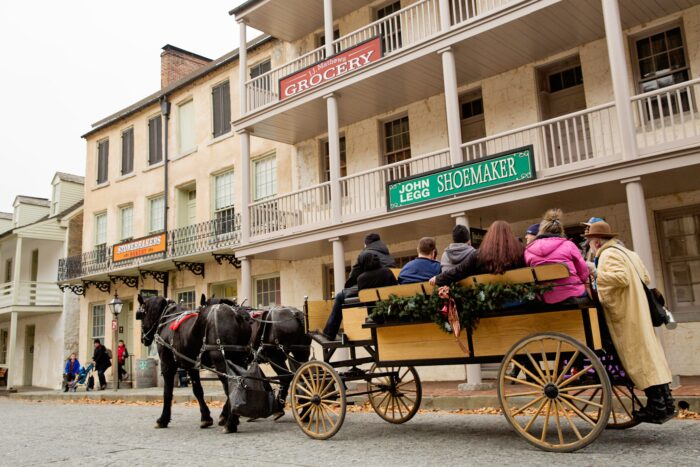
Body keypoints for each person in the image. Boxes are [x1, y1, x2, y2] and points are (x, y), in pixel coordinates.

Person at [587, 221, 675, 423]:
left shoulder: (608, 254)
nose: (590, 246)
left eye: (591, 241)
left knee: (638, 360)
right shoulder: (629, 253)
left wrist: (595, 271)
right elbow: (646, 277)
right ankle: (666, 402)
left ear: (598, 242)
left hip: (625, 313)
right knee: (650, 357)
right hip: (639, 311)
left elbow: (621, 278)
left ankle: (656, 406)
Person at [322, 233, 396, 340]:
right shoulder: (387, 254)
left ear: (366, 244)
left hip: (370, 289)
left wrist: (347, 289)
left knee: (339, 296)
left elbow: (353, 276)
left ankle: (329, 333)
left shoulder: (365, 253)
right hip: (385, 290)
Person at [524, 209, 589, 304]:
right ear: (560, 230)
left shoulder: (528, 251)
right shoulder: (569, 245)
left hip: (545, 299)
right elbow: (583, 272)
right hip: (574, 295)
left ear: (541, 231)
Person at [431, 220, 524, 286]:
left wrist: (438, 278)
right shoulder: (520, 251)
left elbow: (460, 271)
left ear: (490, 236)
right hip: (521, 302)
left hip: (489, 304)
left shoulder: (480, 254)